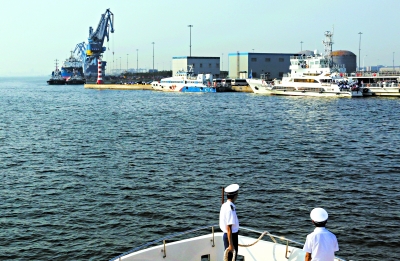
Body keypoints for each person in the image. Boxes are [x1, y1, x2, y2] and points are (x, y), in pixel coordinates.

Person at [219, 184, 240, 261]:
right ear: (235, 195)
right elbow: (229, 227)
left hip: (228, 236)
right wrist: (231, 244)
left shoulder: (225, 205)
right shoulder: (230, 208)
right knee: (231, 259)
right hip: (231, 236)